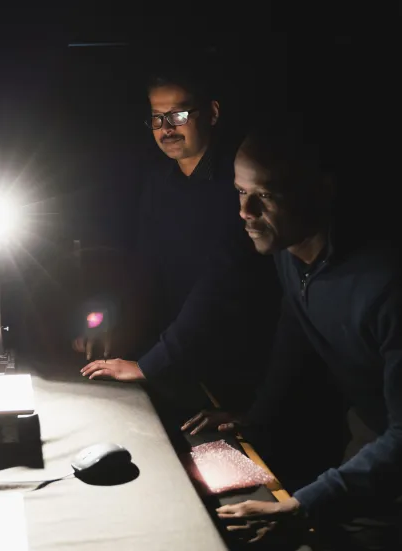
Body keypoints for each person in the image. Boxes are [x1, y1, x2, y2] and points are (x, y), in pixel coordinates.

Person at [183, 119, 402, 550]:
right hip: (373, 434)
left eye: (266, 195)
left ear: (321, 190)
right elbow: (295, 327)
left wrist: (303, 506)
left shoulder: (392, 283)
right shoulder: (289, 248)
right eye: (240, 191)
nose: (246, 211)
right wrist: (257, 414)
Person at [78, 68, 280, 415]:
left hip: (237, 361)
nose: (167, 129)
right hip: (174, 354)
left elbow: (221, 284)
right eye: (157, 118)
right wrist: (112, 322)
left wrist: (150, 365)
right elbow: (142, 265)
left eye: (178, 115)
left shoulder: (239, 184)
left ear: (212, 113)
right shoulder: (159, 180)